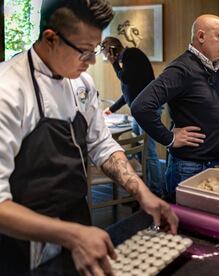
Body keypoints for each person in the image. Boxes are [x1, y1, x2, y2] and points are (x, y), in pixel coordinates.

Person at [0, 0, 178, 274]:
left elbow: (102, 144)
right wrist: (71, 235)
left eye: (95, 49)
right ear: (51, 38)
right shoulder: (8, 91)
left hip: (78, 221)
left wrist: (143, 193)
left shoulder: (81, 83)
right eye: (84, 52)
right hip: (22, 243)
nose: (93, 61)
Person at [131, 14, 219, 201]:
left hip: (215, 163)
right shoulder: (181, 69)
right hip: (190, 168)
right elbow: (141, 106)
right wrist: (169, 138)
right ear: (201, 37)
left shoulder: (210, 66)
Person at [101, 36, 165, 198]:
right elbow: (128, 92)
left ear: (112, 50)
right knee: (140, 152)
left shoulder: (132, 55)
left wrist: (114, 63)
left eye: (106, 51)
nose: (105, 56)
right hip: (139, 111)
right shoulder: (129, 60)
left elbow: (125, 78)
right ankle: (144, 190)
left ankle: (157, 193)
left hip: (147, 111)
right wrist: (112, 109)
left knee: (149, 152)